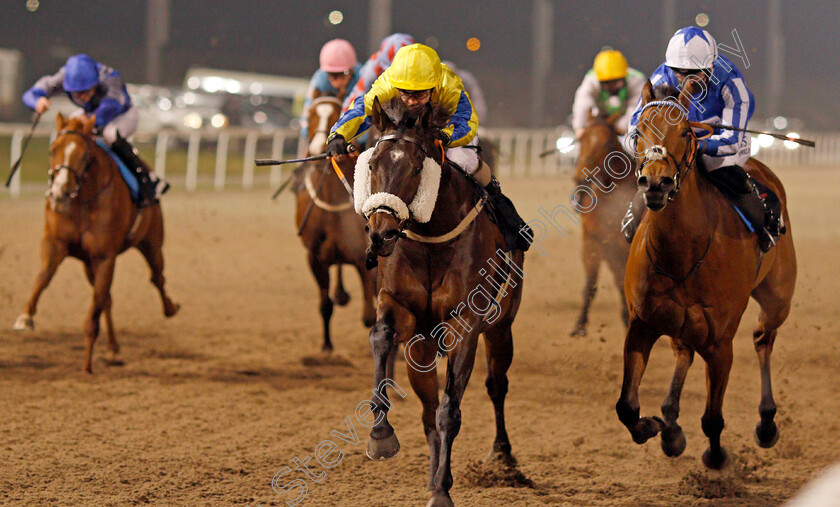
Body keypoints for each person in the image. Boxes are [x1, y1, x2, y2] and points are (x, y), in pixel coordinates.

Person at [326, 43, 531, 252]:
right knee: (375, 157)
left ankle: (502, 209)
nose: (412, 101)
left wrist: (445, 136)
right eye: (406, 94)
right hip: (408, 130)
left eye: (420, 94)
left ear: (434, 86)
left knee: (465, 161)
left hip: (444, 128)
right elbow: (362, 109)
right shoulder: (389, 82)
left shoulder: (448, 83)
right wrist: (339, 135)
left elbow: (466, 122)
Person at [622, 26, 783, 252]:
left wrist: (697, 144)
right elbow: (634, 128)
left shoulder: (732, 84)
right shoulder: (661, 77)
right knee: (656, 169)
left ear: (710, 68)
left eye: (694, 73)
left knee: (715, 166)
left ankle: (766, 213)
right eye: (679, 71)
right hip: (678, 141)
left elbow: (732, 140)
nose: (685, 80)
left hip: (720, 142)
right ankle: (635, 212)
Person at [22, 54, 167, 207]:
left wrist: (90, 119)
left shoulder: (110, 78)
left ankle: (146, 178)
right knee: (69, 133)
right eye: (77, 93)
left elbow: (112, 106)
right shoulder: (63, 77)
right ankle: (59, 182)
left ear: (96, 83)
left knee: (110, 134)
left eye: (87, 91)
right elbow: (31, 93)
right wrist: (38, 100)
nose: (83, 96)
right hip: (91, 114)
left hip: (124, 115)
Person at [299, 39, 362, 145]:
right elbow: (307, 110)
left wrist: (359, 138)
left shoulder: (361, 76)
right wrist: (307, 133)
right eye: (332, 74)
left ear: (352, 70)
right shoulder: (320, 78)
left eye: (343, 73)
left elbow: (366, 112)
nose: (338, 80)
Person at [571, 48, 646, 138]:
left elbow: (637, 107)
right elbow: (582, 103)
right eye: (607, 83)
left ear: (625, 76)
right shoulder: (591, 81)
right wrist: (580, 127)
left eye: (616, 82)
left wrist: (622, 126)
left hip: (627, 126)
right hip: (600, 119)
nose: (612, 87)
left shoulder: (636, 80)